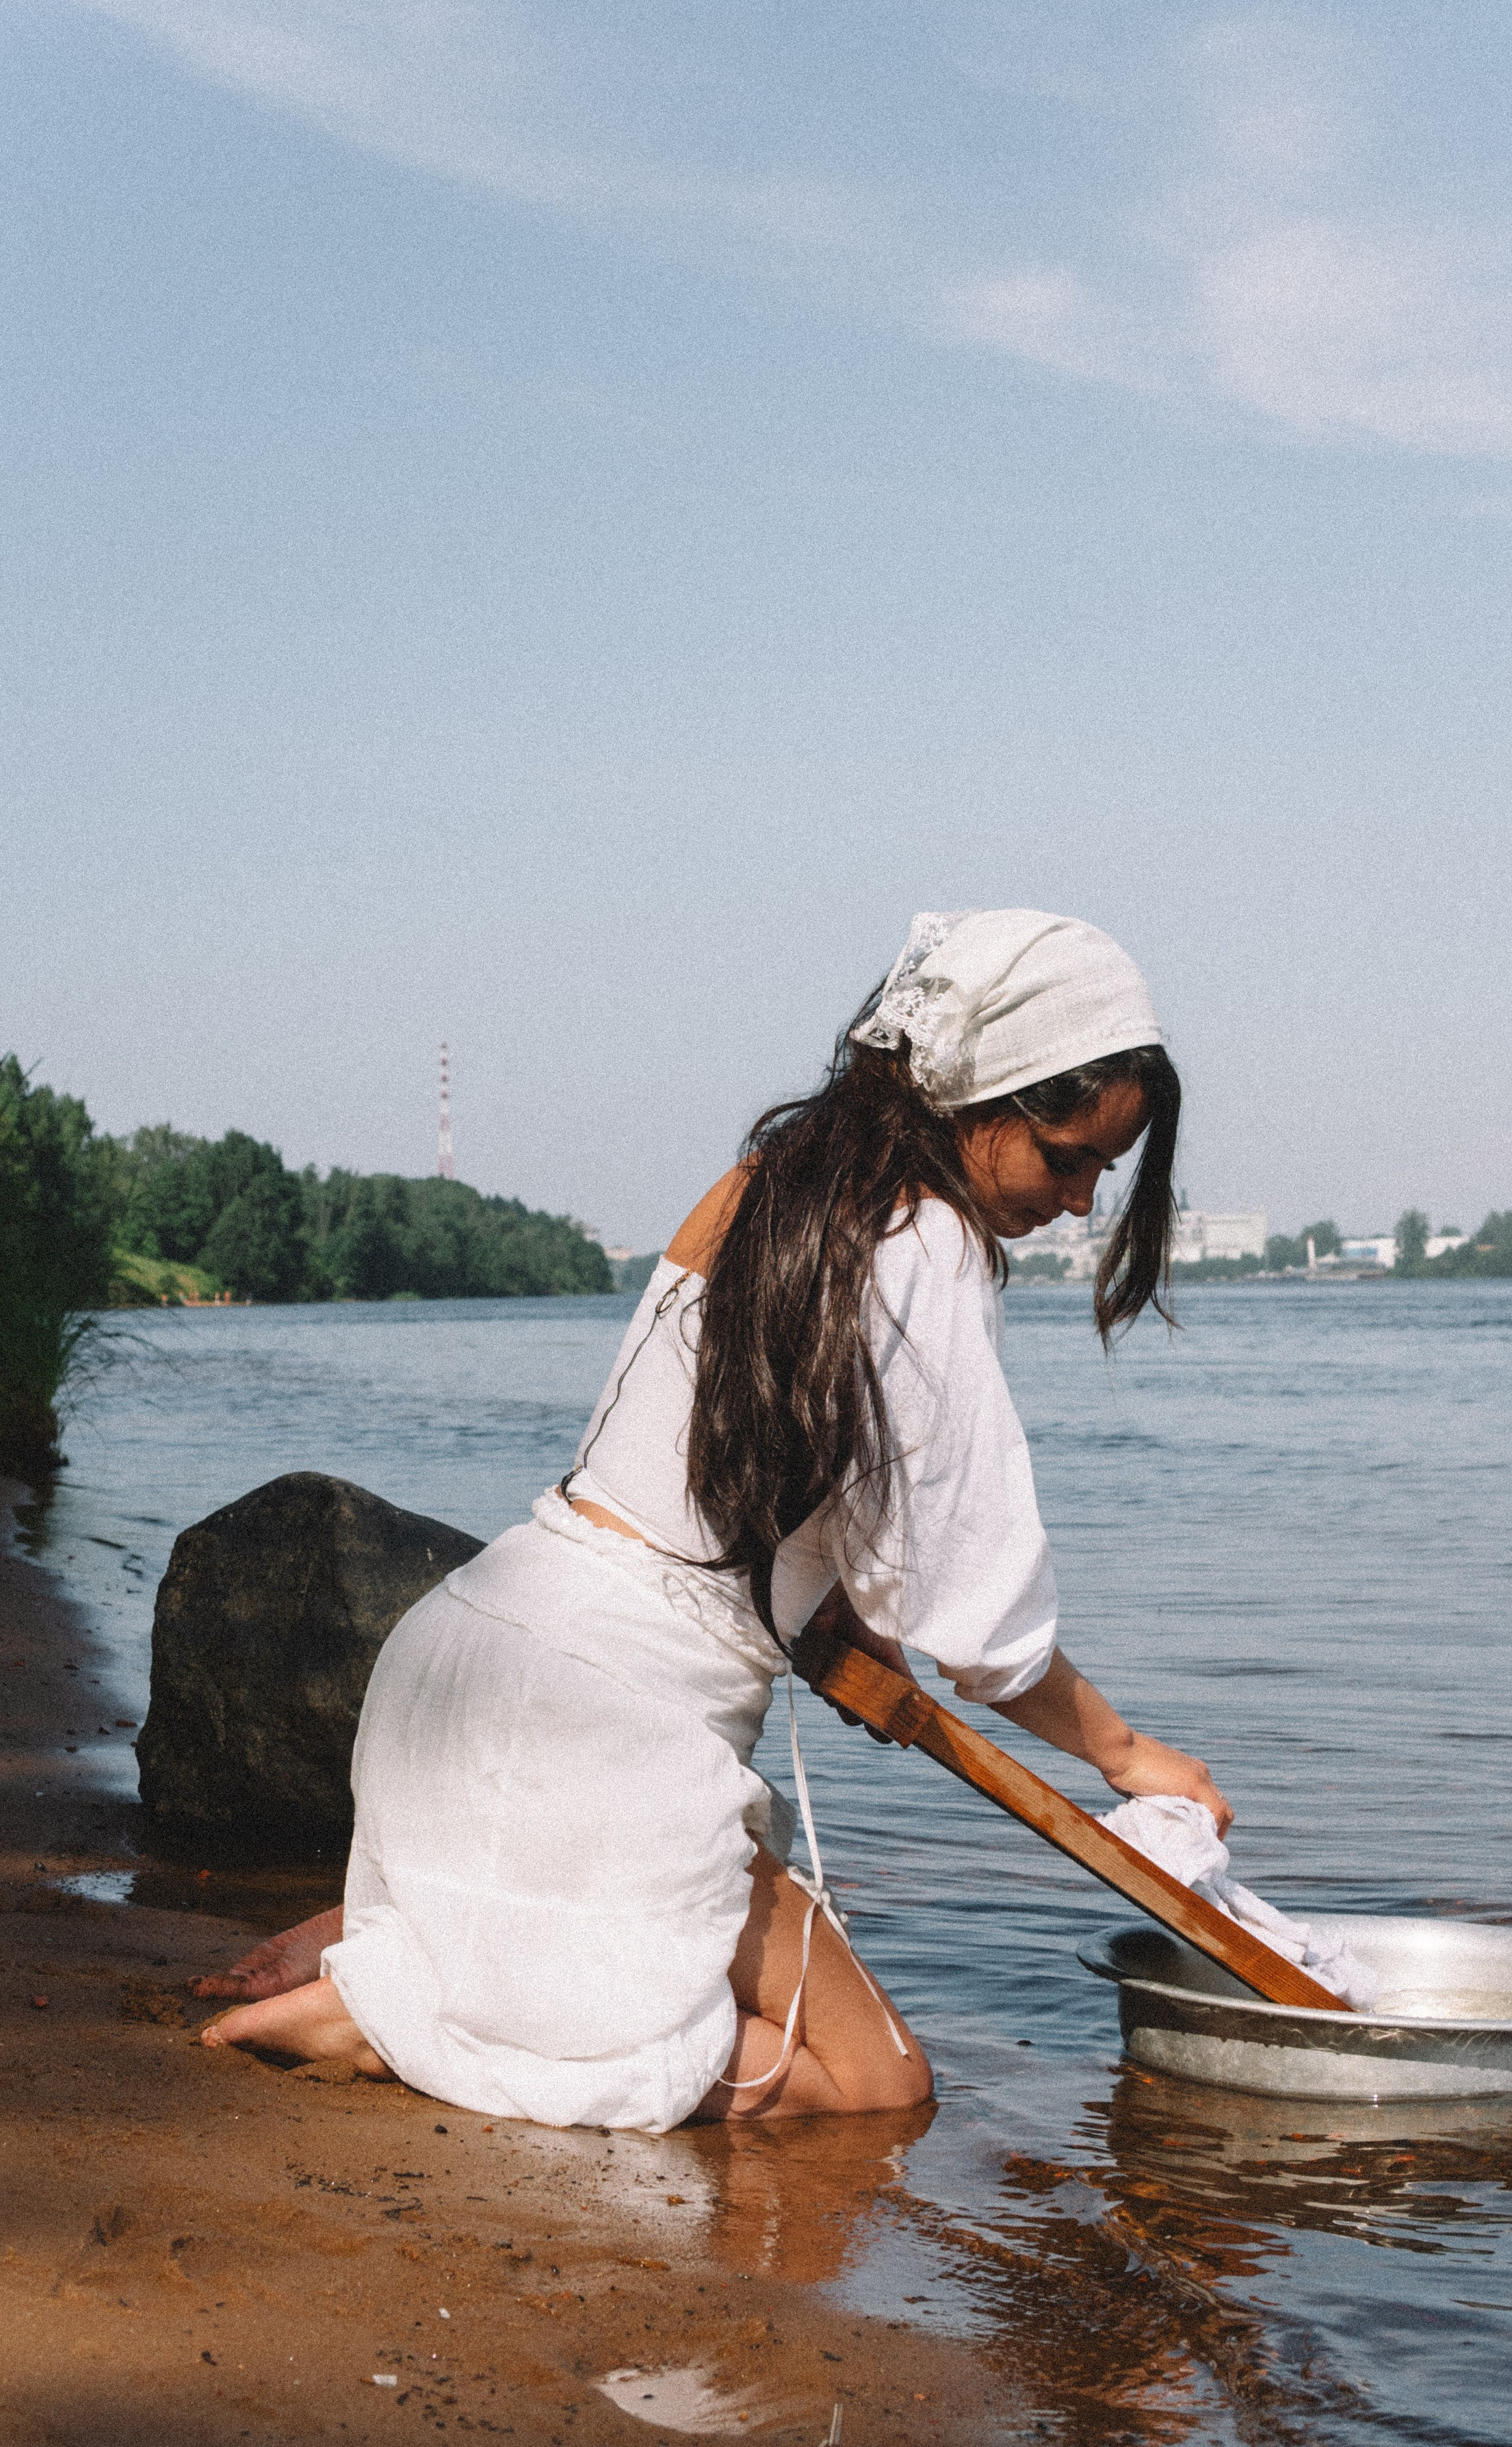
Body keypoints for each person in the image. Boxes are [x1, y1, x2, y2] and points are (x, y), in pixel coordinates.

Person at [200, 909, 1231, 2126]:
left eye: (1102, 1175)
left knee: (709, 2004)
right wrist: (1128, 1756)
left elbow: (706, 1474)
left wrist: (829, 1609)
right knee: (878, 2088)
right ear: (981, 1095)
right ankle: (401, 2015)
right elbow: (981, 1627)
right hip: (599, 1739)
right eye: (1069, 1159)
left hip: (463, 1662)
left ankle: (450, 1947)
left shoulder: (773, 1183)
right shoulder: (929, 1242)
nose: (1078, 1203)